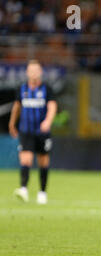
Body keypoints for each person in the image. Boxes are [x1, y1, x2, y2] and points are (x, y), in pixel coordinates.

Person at [9, 60, 58, 204]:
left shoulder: (47, 89)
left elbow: (52, 107)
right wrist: (12, 123)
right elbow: (17, 107)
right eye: (31, 70)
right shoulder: (22, 89)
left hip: (42, 132)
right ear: (27, 72)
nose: (34, 73)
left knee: (43, 162)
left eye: (36, 70)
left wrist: (48, 121)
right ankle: (23, 188)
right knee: (26, 159)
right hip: (26, 131)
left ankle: (42, 192)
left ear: (41, 72)